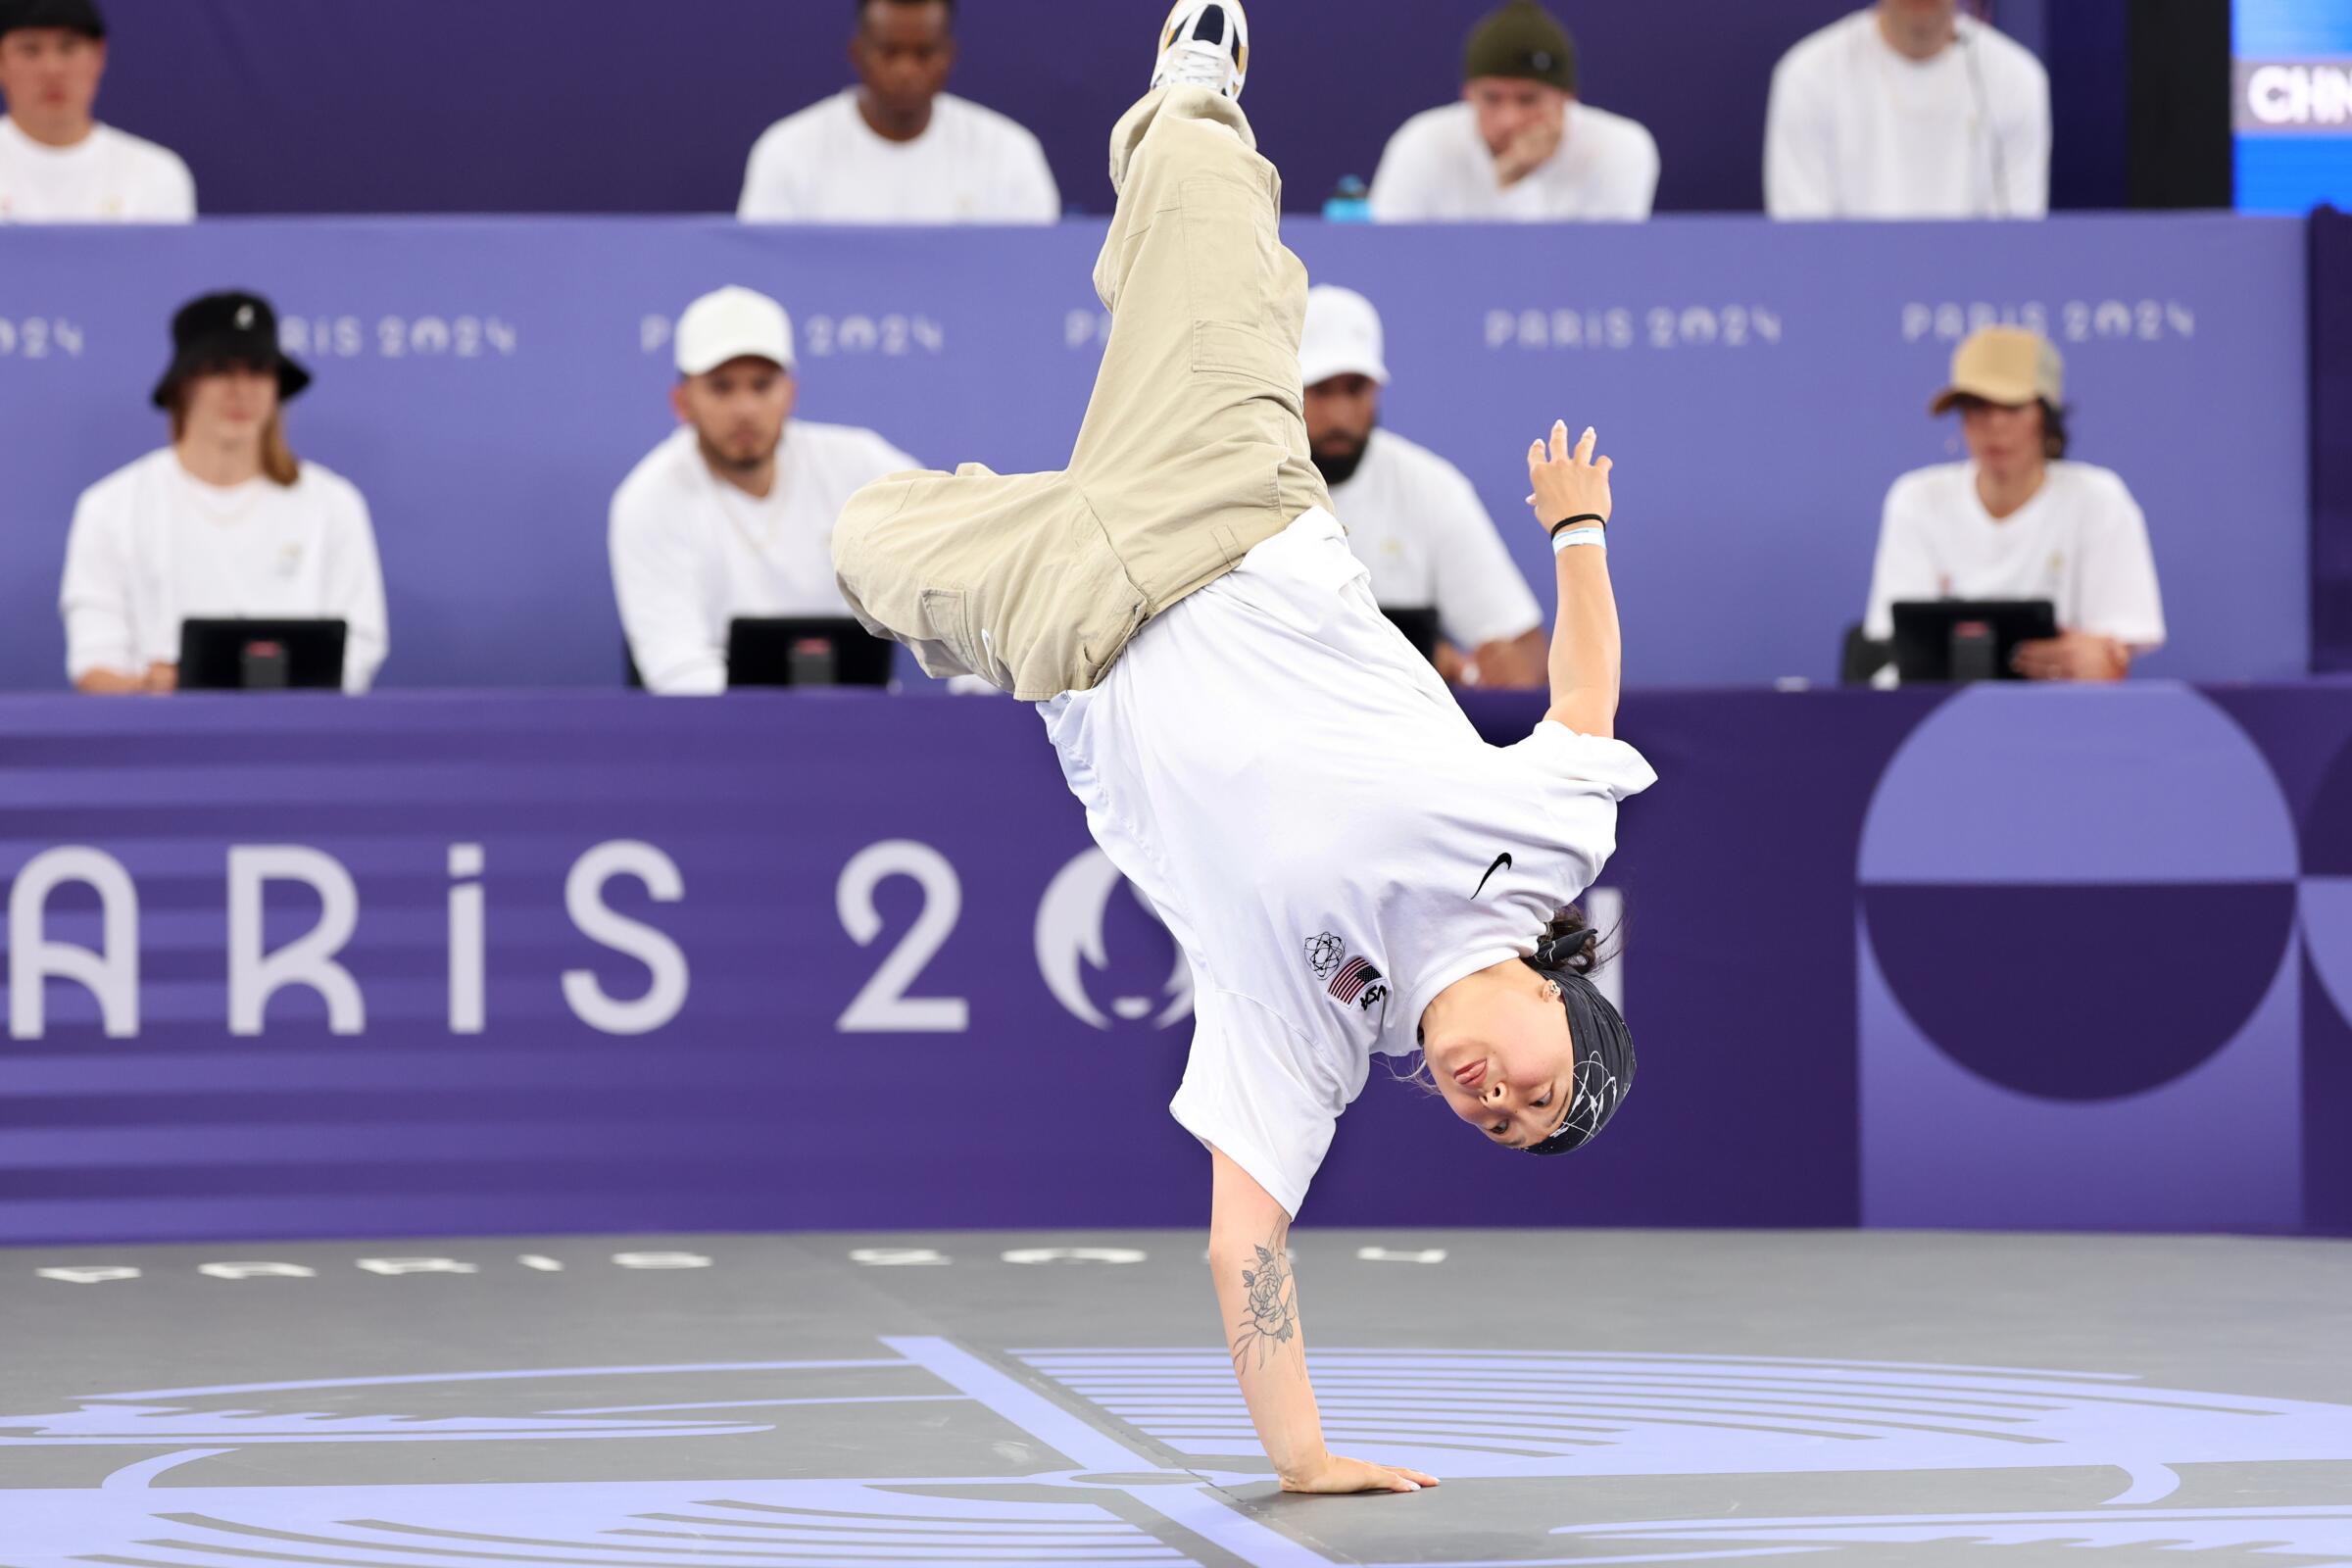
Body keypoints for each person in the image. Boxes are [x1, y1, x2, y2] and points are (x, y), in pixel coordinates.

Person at [833, 2, 1651, 1494]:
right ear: (1554, 997)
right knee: (1208, 207)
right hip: (1230, 509)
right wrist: (1579, 533)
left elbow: (1244, 1244)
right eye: (1538, 1089)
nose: (1497, 1103)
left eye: (1504, 1128)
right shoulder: (1546, 850)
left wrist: (1305, 1455)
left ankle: (1007, 507)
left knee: (860, 540)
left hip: (1077, 630)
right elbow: (1584, 710)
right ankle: (1200, 75)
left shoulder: (1319, 1036)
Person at [60, 292, 387, 694]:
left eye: (258, 370)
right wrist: (155, 686)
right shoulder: (111, 507)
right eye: (219, 370)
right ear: (183, 386)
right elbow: (94, 663)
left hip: (301, 742)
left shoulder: (334, 505)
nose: (241, 389)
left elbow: (358, 652)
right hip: (163, 742)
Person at [611, 286, 917, 695]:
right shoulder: (647, 500)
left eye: (761, 385)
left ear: (789, 393)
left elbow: (955, 563)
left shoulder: (860, 463)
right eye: (722, 387)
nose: (745, 408)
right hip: (719, 740)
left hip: (862, 726)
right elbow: (674, 666)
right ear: (682, 402)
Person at [1864, 325, 2164, 681]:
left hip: (2058, 719)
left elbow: (2113, 653)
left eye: (2012, 405)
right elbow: (1900, 641)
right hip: (1937, 721)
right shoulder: (1917, 499)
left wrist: (2099, 661)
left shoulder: (2099, 500)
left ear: (2046, 415)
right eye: (1976, 406)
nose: (1995, 424)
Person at [1303, 284, 1545, 688]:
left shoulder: (1431, 489)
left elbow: (1526, 657)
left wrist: (1483, 674)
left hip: (1403, 742)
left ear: (1376, 389)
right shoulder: (1242, 486)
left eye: (1355, 389)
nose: (1340, 413)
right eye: (1321, 391)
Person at [738, 0, 1058, 223]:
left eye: (924, 53)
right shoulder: (787, 150)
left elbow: (1029, 273)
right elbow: (763, 277)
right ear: (858, 54)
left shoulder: (1009, 152)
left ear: (949, 56)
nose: (906, 70)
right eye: (889, 53)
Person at [1368, 0, 1658, 223]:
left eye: (1528, 99)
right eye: (1492, 98)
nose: (1510, 120)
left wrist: (1517, 180)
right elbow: (1385, 255)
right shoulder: (1421, 141)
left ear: (1566, 99)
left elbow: (1605, 270)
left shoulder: (1620, 147)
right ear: (1467, 94)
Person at [1765, 0, 2049, 220]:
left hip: (1972, 294)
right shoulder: (1809, 75)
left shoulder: (2015, 79)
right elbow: (1801, 246)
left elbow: (2017, 247)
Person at [0, 0, 193, 222]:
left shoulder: (155, 175)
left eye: (68, 47)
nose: (52, 69)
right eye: (30, 50)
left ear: (99, 55)